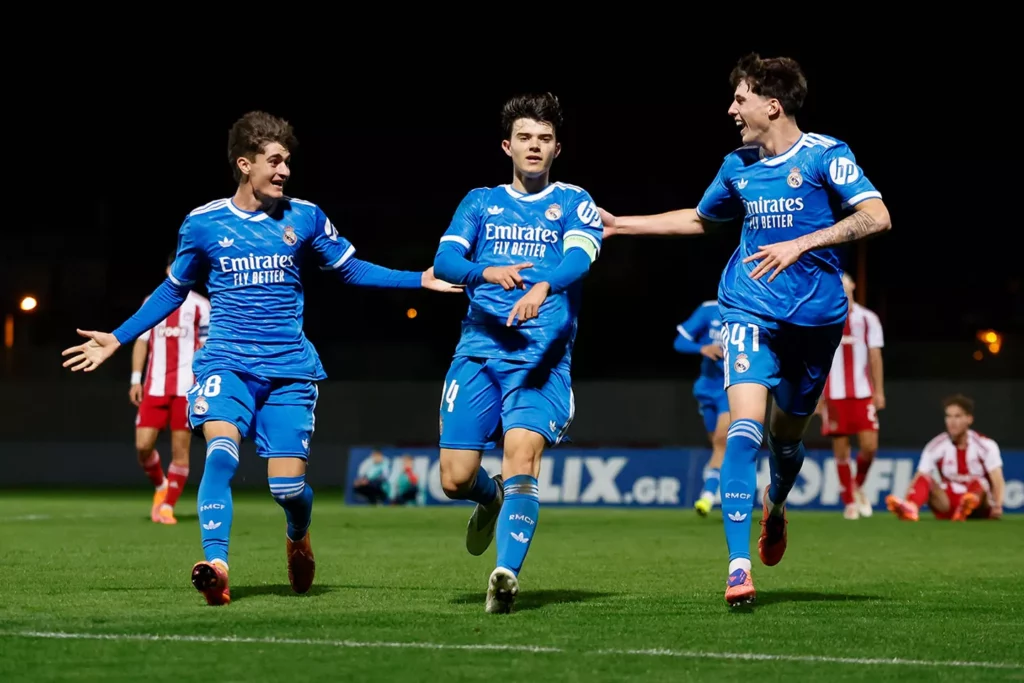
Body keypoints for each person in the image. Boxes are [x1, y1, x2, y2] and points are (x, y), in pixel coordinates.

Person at [62, 111, 461, 606]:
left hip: (290, 371)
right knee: (221, 455)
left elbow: (350, 269)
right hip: (225, 364)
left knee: (287, 490)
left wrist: (415, 279)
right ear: (244, 164)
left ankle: (298, 531)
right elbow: (172, 291)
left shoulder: (306, 217)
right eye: (275, 161)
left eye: (287, 161)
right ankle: (217, 565)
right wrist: (119, 338)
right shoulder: (204, 223)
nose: (284, 171)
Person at [598, 53, 892, 606]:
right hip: (748, 311)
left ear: (771, 104)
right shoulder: (737, 165)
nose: (731, 108)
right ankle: (737, 566)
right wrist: (623, 225)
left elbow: (877, 215)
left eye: (740, 97)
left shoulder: (828, 155)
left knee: (786, 443)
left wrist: (803, 242)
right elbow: (703, 219)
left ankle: (775, 508)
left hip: (816, 323)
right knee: (744, 429)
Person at [432, 92, 603, 613]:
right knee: (455, 478)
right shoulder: (479, 202)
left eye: (544, 139)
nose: (535, 146)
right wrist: (482, 272)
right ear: (507, 145)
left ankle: (504, 574)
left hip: (540, 359)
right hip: (478, 353)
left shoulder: (575, 201)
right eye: (525, 138)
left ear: (558, 149)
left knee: (521, 453)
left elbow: (578, 259)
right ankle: (491, 496)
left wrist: (541, 287)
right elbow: (443, 261)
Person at [130, 252, 211, 525]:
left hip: (186, 389)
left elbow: (208, 347)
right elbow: (141, 341)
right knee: (143, 445)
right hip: (154, 386)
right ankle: (161, 485)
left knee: (180, 450)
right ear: (168, 270)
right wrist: (135, 378)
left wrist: (204, 384)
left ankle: (167, 507)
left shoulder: (201, 305)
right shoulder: (152, 302)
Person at [816, 273, 885, 519]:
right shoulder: (824, 317)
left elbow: (875, 356)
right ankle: (850, 502)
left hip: (862, 393)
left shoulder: (868, 319)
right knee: (841, 450)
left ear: (853, 284)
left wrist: (879, 391)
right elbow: (816, 359)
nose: (842, 286)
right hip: (833, 395)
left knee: (869, 447)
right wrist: (817, 396)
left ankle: (856, 487)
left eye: (845, 282)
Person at [887, 394, 1004, 521]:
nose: (952, 421)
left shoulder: (985, 445)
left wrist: (998, 506)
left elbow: (997, 479)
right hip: (948, 503)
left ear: (969, 419)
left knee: (978, 483)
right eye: (948, 416)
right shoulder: (935, 446)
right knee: (926, 478)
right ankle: (911, 508)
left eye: (957, 416)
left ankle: (966, 506)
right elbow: (919, 478)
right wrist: (907, 499)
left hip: (979, 505)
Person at [673, 299, 729, 516]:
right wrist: (703, 347)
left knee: (721, 441)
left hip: (732, 387)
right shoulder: (709, 310)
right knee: (716, 443)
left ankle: (707, 495)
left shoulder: (753, 310)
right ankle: (725, 486)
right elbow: (679, 342)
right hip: (707, 387)